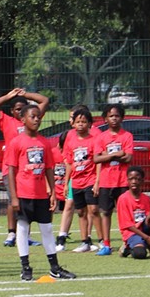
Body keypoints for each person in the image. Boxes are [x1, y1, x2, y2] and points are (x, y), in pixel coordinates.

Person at [3, 103, 74, 280]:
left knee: (47, 229)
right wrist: (14, 197)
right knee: (22, 228)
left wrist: (52, 193)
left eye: (38, 116)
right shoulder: (16, 142)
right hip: (23, 194)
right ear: (23, 119)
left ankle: (54, 267)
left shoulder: (44, 142)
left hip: (41, 194)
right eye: (32, 116)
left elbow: (49, 168)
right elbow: (11, 170)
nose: (36, 119)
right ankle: (25, 267)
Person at [0, 87, 50, 246]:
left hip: (29, 169)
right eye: (17, 109)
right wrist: (9, 95)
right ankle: (11, 233)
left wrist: (25, 94)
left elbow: (44, 100)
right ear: (13, 112)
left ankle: (25, 235)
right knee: (12, 200)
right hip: (12, 168)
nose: (21, 111)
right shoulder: (6, 121)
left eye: (23, 108)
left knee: (28, 202)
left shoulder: (32, 117)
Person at [92, 104, 133, 256]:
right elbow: (96, 158)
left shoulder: (127, 136)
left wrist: (107, 155)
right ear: (105, 119)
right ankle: (106, 244)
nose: (114, 118)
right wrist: (116, 154)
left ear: (122, 118)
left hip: (122, 181)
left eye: (117, 116)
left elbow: (128, 157)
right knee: (105, 212)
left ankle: (127, 241)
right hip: (106, 182)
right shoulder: (101, 137)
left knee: (124, 214)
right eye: (111, 116)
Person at [62, 105, 101, 253]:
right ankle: (85, 241)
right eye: (78, 121)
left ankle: (103, 240)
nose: (80, 124)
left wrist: (97, 181)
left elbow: (98, 161)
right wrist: (66, 184)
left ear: (89, 124)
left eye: (84, 122)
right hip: (76, 182)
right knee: (81, 212)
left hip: (90, 180)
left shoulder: (94, 140)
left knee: (94, 210)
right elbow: (69, 164)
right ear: (73, 123)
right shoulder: (71, 141)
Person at [117, 166, 150, 258]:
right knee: (140, 254)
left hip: (144, 230)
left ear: (142, 181)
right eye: (131, 179)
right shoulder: (123, 199)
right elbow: (127, 225)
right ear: (127, 181)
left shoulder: (146, 198)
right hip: (132, 232)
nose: (134, 181)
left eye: (137, 179)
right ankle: (127, 248)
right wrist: (146, 238)